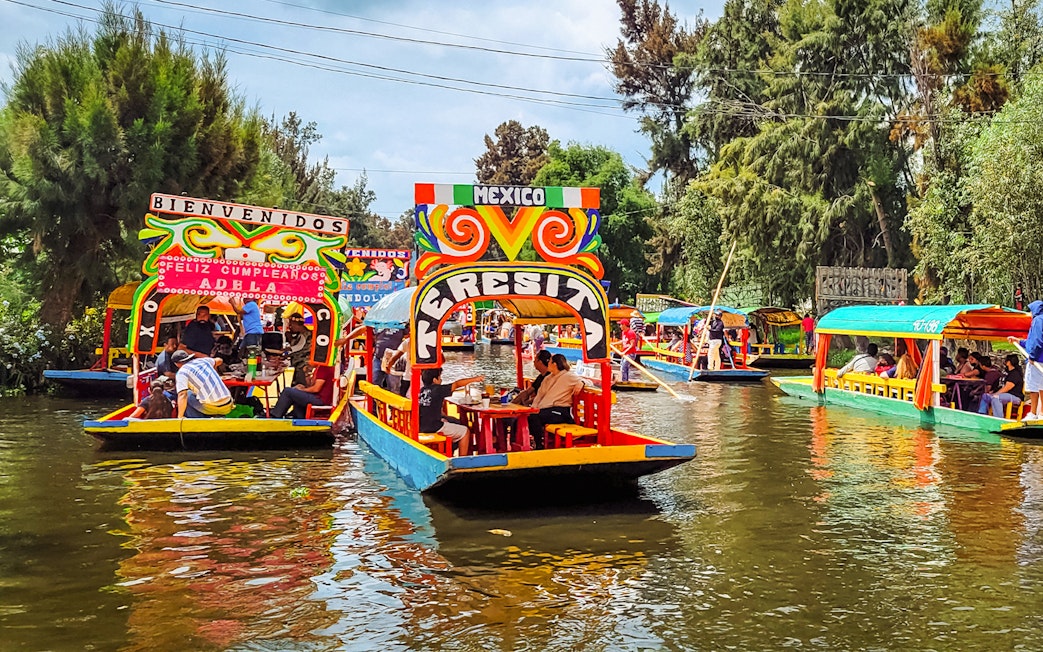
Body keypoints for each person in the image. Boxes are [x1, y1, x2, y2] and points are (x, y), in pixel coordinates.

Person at [417, 367, 484, 456]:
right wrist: (475, 379)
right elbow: (456, 384)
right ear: (435, 380)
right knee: (465, 431)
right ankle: (461, 460)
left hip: (421, 426)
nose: (441, 380)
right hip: (434, 427)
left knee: (451, 421)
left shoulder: (422, 391)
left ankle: (450, 451)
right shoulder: (438, 389)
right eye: (440, 377)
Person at [529, 353, 587, 450]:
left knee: (535, 418)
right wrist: (532, 409)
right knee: (528, 416)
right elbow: (539, 395)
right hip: (546, 409)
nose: (548, 364)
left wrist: (582, 383)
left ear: (555, 364)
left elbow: (588, 382)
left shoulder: (568, 376)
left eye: (550, 362)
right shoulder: (548, 378)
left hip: (560, 411)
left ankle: (539, 444)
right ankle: (533, 442)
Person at [171, 350, 233, 418]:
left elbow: (182, 395)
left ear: (177, 364)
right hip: (228, 404)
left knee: (188, 395)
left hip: (213, 407)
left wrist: (180, 416)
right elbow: (219, 360)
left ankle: (198, 422)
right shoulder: (203, 361)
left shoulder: (182, 372)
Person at [1010, 299, 1043, 420]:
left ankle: (1034, 413)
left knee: (1034, 387)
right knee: (1041, 386)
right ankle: (1041, 414)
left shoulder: (1038, 321)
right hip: (1040, 358)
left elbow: (1038, 341)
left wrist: (1033, 357)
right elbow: (1031, 341)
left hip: (1037, 360)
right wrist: (1019, 341)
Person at [271, 362, 335, 418]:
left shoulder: (324, 368)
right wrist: (306, 374)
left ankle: (275, 415)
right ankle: (296, 415)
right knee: (295, 391)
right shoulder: (318, 368)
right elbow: (311, 385)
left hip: (320, 400)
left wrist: (303, 390)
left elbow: (316, 389)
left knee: (287, 391)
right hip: (318, 397)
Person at [285, 312, 313, 386]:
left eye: (291, 325)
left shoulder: (307, 335)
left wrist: (285, 353)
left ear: (297, 325)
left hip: (304, 366)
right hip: (299, 366)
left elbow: (298, 349)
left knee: (299, 387)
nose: (290, 327)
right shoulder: (300, 335)